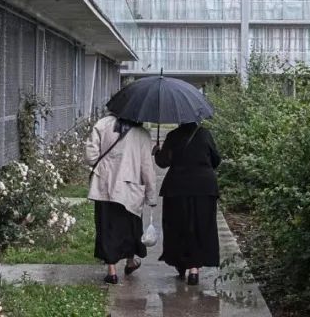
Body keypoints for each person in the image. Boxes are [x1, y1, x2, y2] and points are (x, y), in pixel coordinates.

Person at [85, 111, 157, 284]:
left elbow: (90, 158)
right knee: (130, 226)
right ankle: (130, 261)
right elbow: (147, 169)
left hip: (105, 186)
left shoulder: (102, 125)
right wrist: (151, 195)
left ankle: (112, 272)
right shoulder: (142, 134)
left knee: (107, 227)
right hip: (131, 189)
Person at [153, 121, 221, 285]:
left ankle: (181, 264)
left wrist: (157, 152)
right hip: (204, 188)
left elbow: (163, 162)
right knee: (200, 226)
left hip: (177, 188)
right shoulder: (205, 134)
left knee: (178, 226)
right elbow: (216, 160)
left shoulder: (173, 136)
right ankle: (194, 270)